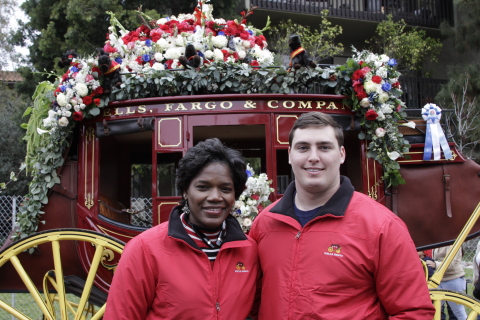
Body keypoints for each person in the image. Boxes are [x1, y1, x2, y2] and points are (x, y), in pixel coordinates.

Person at [249, 112, 435, 319]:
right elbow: (252, 303)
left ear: (342, 154)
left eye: (324, 147)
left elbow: (413, 311)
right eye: (303, 148)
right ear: (290, 155)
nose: (313, 157)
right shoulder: (265, 223)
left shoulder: (381, 225)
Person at [104, 138, 259, 320]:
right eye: (203, 187)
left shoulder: (249, 251)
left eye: (225, 189)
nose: (215, 197)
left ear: (235, 195)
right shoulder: (145, 249)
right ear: (186, 191)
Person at [430, 245, 467, 320]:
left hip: (454, 279)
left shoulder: (452, 243)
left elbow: (451, 263)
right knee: (434, 309)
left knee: (458, 311)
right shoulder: (439, 242)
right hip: (440, 280)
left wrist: (435, 264)